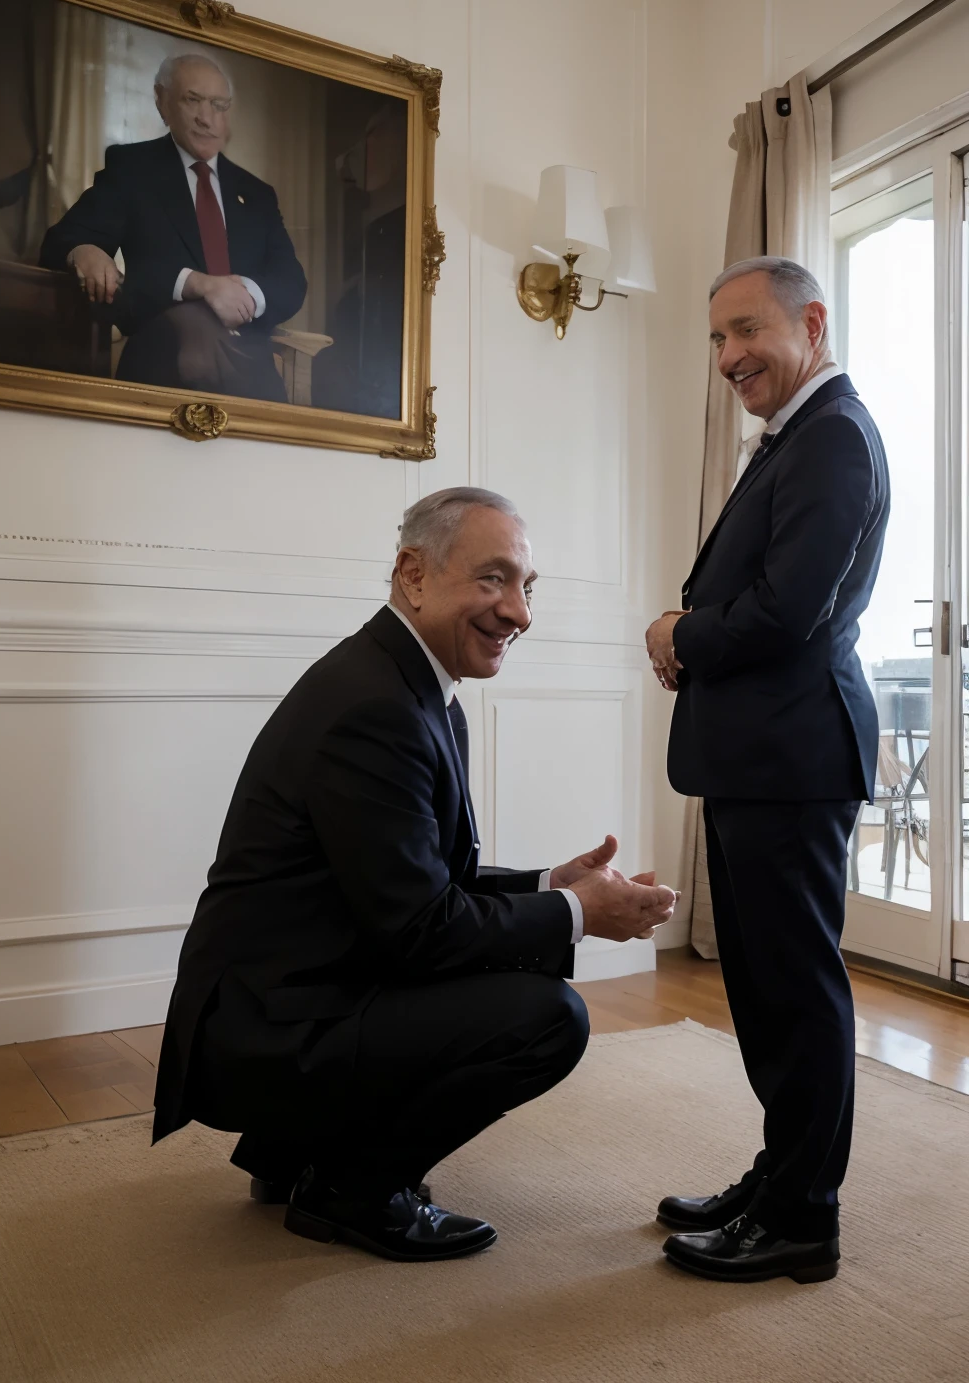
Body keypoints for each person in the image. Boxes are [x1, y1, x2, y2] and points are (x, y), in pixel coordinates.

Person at [154, 486, 677, 1262]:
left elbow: (421, 881)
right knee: (547, 1019)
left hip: (285, 992)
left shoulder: (407, 686)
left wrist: (550, 885)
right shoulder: (379, 706)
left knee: (508, 964)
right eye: (493, 579)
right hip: (267, 1028)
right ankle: (350, 1189)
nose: (520, 613)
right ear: (413, 574)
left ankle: (288, 1154)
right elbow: (420, 932)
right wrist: (576, 914)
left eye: (527, 588)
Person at [645, 257, 889, 1285]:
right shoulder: (800, 433)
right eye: (716, 339)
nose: (729, 355)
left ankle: (801, 1216)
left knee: (795, 992)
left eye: (746, 330)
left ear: (812, 323)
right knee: (765, 987)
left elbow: (789, 611)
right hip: (762, 752)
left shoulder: (831, 436)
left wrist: (681, 634)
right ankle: (780, 1172)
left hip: (794, 755)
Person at [39, 52, 306, 401]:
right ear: (162, 102)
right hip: (164, 366)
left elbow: (291, 280)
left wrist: (244, 297)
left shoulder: (256, 194)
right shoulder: (133, 170)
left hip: (250, 373)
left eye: (218, 105)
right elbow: (61, 241)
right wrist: (85, 251)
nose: (206, 118)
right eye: (192, 100)